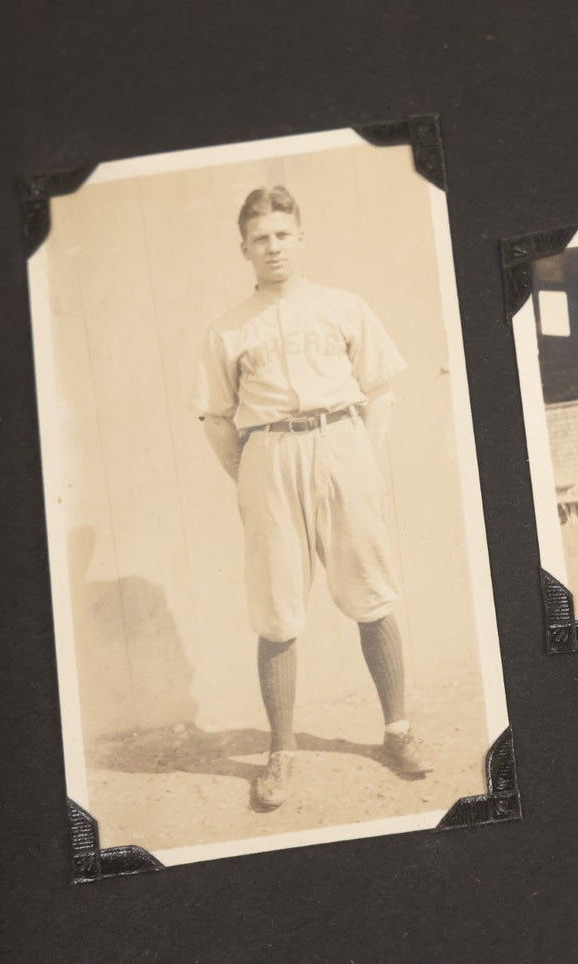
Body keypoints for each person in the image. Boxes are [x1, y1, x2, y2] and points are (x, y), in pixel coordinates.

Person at [191, 185, 431, 813]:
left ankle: (398, 730)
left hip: (341, 443)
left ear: (300, 238)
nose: (272, 247)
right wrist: (252, 474)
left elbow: (380, 389)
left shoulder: (342, 306)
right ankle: (281, 750)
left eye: (281, 234)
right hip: (269, 455)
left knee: (371, 591)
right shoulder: (227, 328)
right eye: (259, 238)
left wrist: (362, 462)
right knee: (276, 609)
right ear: (243, 249)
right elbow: (216, 418)